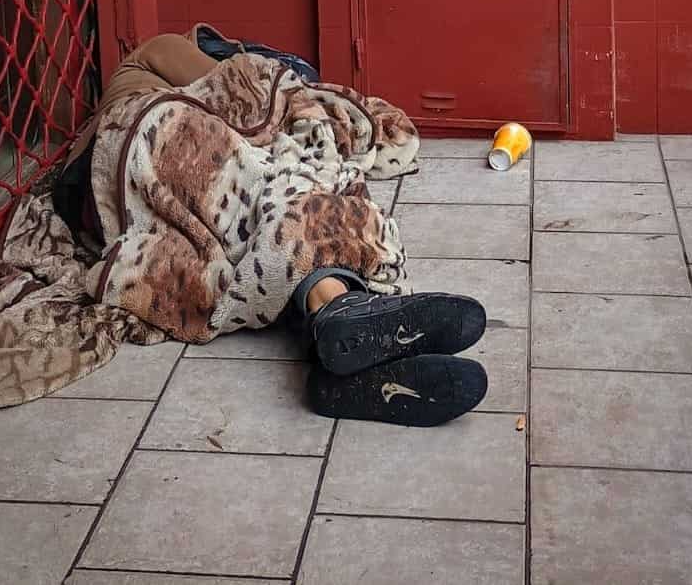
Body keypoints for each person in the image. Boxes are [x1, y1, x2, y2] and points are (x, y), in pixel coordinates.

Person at [52, 32, 489, 427]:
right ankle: (338, 305)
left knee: (260, 222)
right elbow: (248, 93)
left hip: (106, 204)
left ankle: (336, 356)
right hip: (140, 137)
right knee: (288, 191)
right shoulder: (156, 55)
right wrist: (287, 97)